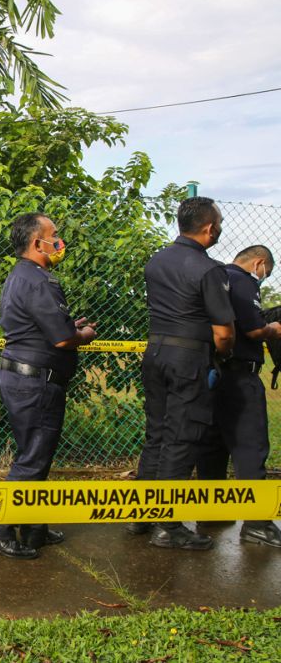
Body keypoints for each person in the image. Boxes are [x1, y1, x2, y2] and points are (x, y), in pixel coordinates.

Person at [0, 213, 96, 560]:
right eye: (54, 235)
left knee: (35, 456)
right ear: (37, 243)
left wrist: (66, 327)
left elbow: (45, 326)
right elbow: (62, 339)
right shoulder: (40, 280)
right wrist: (82, 335)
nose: (59, 241)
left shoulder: (20, 276)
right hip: (36, 382)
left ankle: (32, 525)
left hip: (23, 378)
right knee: (32, 459)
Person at [131, 196, 235, 551]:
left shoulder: (156, 262)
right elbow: (223, 332)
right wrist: (223, 357)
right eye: (218, 223)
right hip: (188, 358)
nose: (219, 229)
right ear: (209, 228)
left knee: (156, 433)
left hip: (155, 352)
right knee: (181, 436)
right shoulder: (209, 270)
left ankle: (141, 516)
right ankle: (168, 525)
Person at [195, 246, 281, 547]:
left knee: (212, 443)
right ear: (258, 263)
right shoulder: (243, 281)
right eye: (265, 273)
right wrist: (274, 328)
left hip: (213, 373)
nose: (263, 278)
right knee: (250, 445)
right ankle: (257, 523)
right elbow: (255, 329)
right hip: (241, 375)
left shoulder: (215, 277)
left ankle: (212, 511)